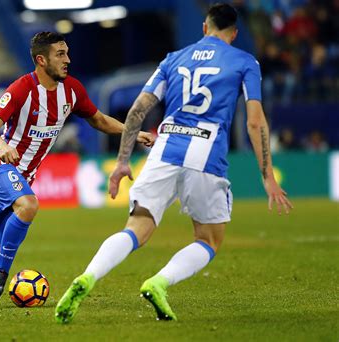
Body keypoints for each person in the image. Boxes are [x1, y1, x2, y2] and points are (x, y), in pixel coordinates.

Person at [55, 3, 293, 324]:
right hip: (205, 152)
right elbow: (254, 121)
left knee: (136, 229)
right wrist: (267, 176)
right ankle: (160, 281)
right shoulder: (245, 62)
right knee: (208, 239)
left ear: (204, 28)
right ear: (234, 34)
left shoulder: (173, 59)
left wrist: (123, 162)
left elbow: (138, 111)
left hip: (165, 146)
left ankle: (87, 276)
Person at [0, 31, 155, 310]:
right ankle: (0, 275)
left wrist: (134, 132)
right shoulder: (22, 88)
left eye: (67, 53)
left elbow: (98, 119)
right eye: (60, 54)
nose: (67, 59)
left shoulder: (72, 90)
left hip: (22, 176)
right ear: (41, 60)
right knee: (29, 204)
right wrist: (0, 145)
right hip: (0, 166)